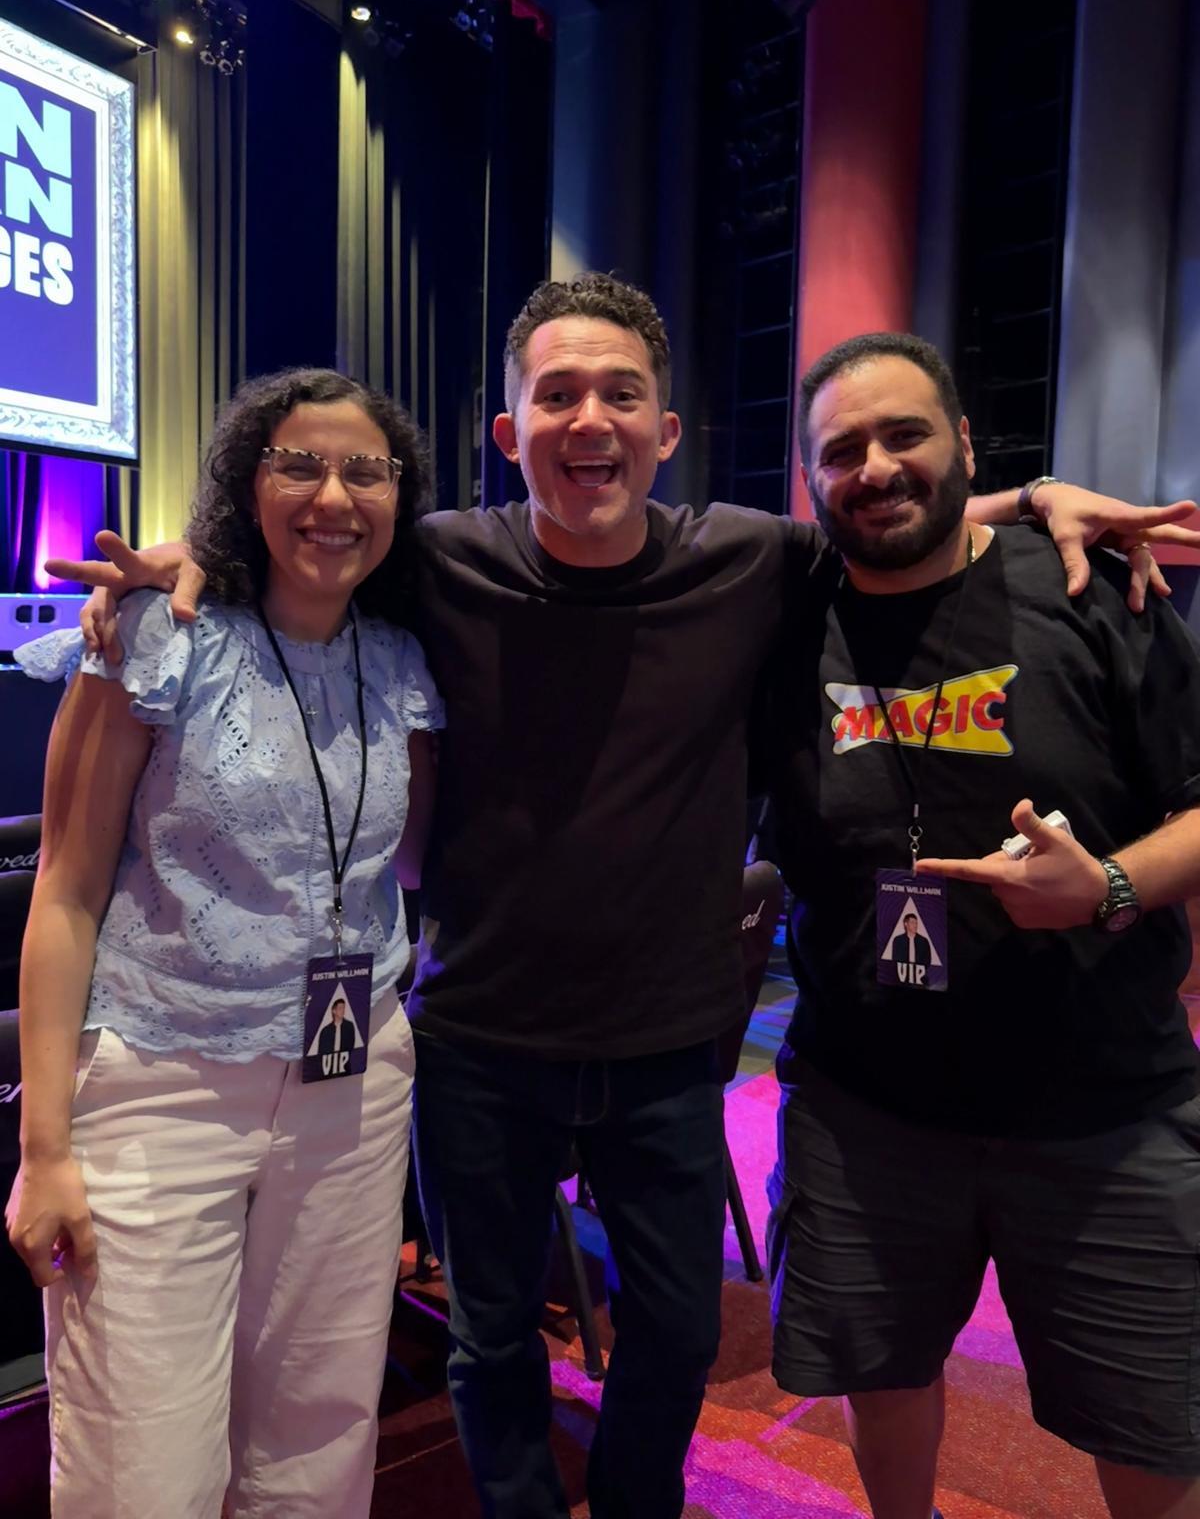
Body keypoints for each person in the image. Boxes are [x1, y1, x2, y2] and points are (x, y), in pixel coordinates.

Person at [48, 275, 1200, 1519]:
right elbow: (310, 548)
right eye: (556, 394)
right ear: (510, 433)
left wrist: (1030, 502)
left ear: (666, 431)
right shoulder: (438, 565)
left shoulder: (750, 559)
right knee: (492, 1342)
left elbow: (899, 519)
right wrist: (199, 558)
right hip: (480, 1042)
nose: (588, 418)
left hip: (668, 1045)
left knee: (675, 1341)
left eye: (621, 394)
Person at [760, 331, 1200, 1519]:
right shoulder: (785, 623)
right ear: (809, 481)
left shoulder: (1089, 592)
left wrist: (1106, 884)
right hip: (867, 1113)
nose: (875, 466)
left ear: (964, 442)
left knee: (1156, 1422)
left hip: (1104, 1109)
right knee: (882, 1378)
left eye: (905, 434)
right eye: (841, 449)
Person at [5, 368, 444, 1519]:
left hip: (354, 1083)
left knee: (321, 1430)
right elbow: (63, 890)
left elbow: (411, 864)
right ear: (247, 483)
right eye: (298, 462)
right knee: (137, 1466)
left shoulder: (402, 662)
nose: (332, 494)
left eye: (365, 469)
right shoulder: (166, 631)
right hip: (163, 1080)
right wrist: (43, 1145)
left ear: (400, 498)